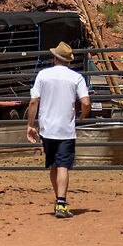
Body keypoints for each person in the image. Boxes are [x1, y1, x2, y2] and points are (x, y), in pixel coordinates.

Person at [26, 41, 92, 219]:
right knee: (63, 165)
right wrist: (82, 115)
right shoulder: (76, 77)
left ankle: (58, 200)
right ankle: (61, 203)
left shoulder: (43, 75)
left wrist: (30, 125)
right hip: (66, 128)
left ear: (55, 58)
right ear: (68, 60)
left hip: (47, 128)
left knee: (54, 165)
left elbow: (34, 101)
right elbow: (86, 102)